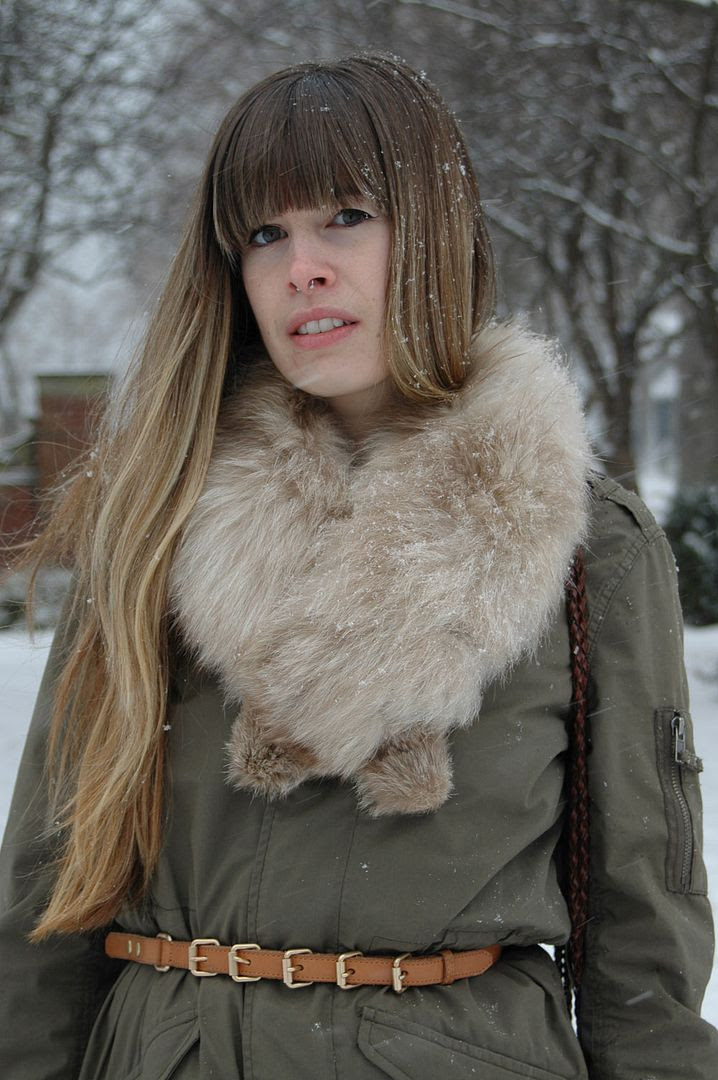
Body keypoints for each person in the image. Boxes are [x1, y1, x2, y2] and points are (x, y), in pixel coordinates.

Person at [0, 51, 715, 1080]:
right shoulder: (153, 515)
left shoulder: (587, 545)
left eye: (346, 216)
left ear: (435, 231)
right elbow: (47, 891)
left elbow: (643, 947)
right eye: (264, 234)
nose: (302, 268)